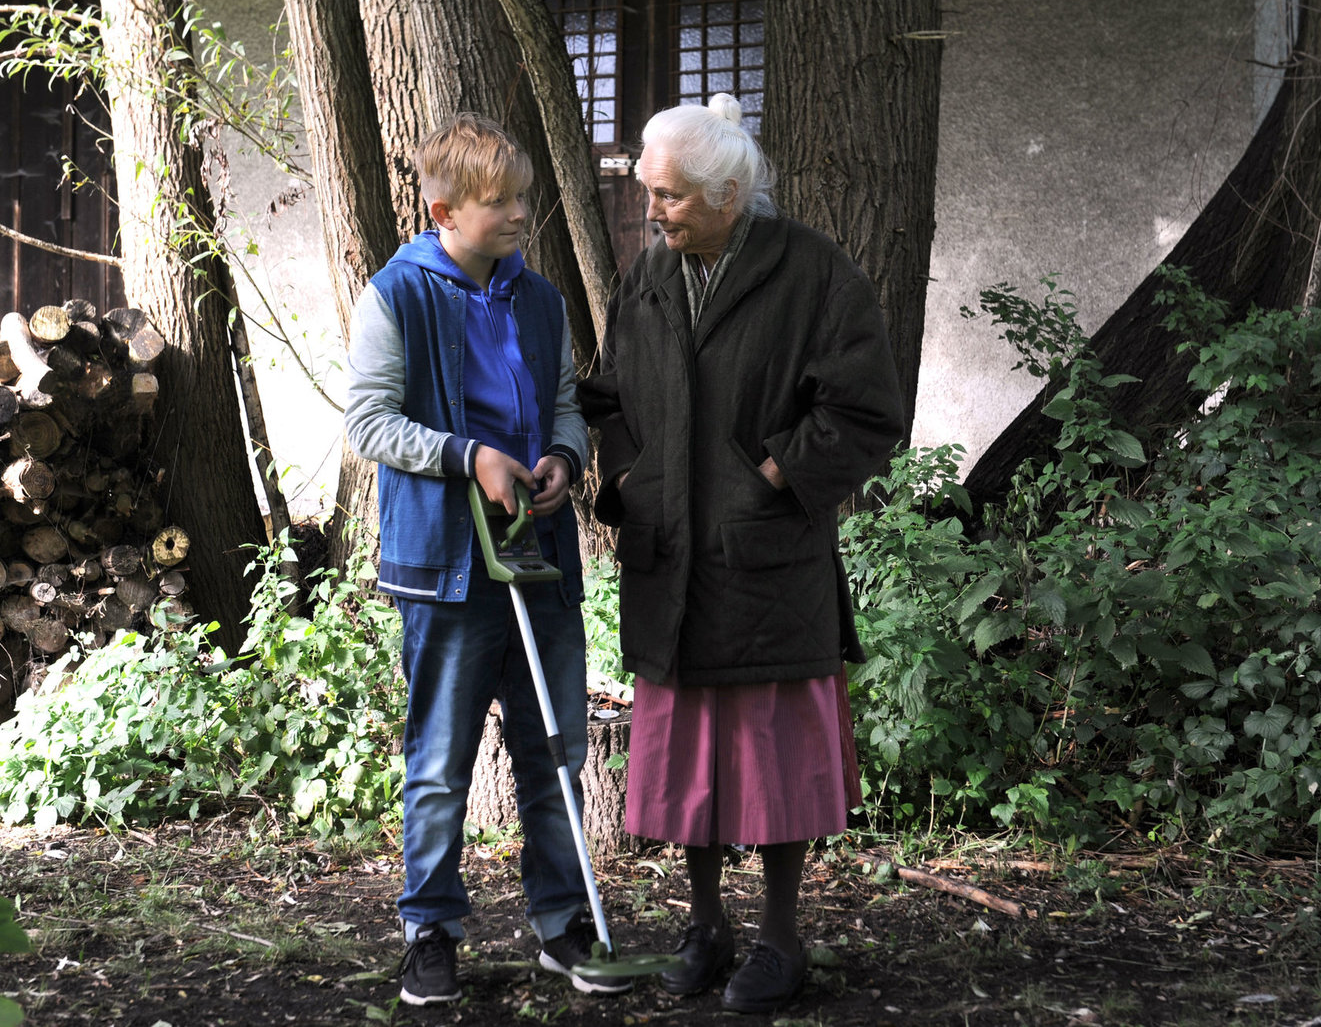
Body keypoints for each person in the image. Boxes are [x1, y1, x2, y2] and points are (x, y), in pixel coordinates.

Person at [579, 93, 904, 1014]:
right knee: (691, 766)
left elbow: (867, 409)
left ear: (728, 195)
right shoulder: (649, 275)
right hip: (670, 555)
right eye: (649, 192)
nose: (652, 211)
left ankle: (781, 938)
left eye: (671, 196)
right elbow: (612, 396)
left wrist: (773, 474)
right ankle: (705, 926)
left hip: (767, 561)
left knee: (773, 768)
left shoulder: (814, 273)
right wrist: (627, 477)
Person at [345, 113, 629, 1005]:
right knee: (440, 763)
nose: (517, 215)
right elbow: (369, 424)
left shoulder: (539, 300)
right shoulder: (396, 295)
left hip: (538, 557)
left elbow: (564, 408)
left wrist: (562, 460)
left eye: (521, 198)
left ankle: (562, 925)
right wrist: (471, 458)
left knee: (557, 751)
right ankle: (429, 932)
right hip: (445, 567)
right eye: (499, 202)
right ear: (444, 211)